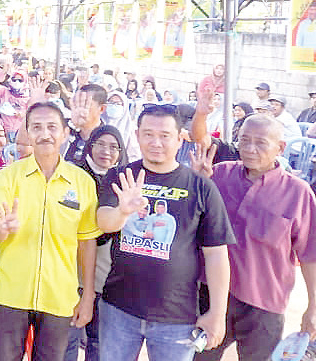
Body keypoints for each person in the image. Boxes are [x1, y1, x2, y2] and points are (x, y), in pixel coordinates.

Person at [95, 104, 235, 361]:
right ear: (137, 135)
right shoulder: (121, 175)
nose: (155, 142)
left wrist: (217, 312)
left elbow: (216, 254)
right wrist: (123, 213)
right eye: (148, 134)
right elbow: (104, 221)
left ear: (180, 138)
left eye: (165, 135)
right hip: (119, 307)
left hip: (177, 315)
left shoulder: (201, 187)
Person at [0, 102, 100, 361]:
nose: (45, 134)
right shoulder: (8, 177)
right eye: (36, 127)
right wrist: (1, 229)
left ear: (65, 132)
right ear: (26, 133)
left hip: (59, 296)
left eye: (52, 127)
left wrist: (88, 295)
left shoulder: (82, 183)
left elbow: (87, 242)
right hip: (12, 293)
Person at [192, 114, 316, 360]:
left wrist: (313, 307)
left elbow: (310, 255)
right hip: (213, 295)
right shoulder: (218, 175)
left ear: (280, 147)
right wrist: (198, 183)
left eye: (260, 143)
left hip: (265, 303)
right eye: (244, 140)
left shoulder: (298, 193)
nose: (250, 149)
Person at [64, 125, 128, 361]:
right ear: (90, 145)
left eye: (114, 147)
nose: (106, 151)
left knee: (99, 342)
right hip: (71, 270)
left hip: (105, 274)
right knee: (67, 340)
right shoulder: (72, 175)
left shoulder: (124, 181)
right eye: (100, 144)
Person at [65, 84, 108, 165]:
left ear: (102, 109)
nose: (79, 109)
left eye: (85, 104)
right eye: (76, 103)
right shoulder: (64, 128)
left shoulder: (108, 137)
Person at [103, 91, 142, 162]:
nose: (114, 106)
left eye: (118, 104)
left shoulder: (130, 127)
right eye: (111, 102)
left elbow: (134, 154)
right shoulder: (99, 122)